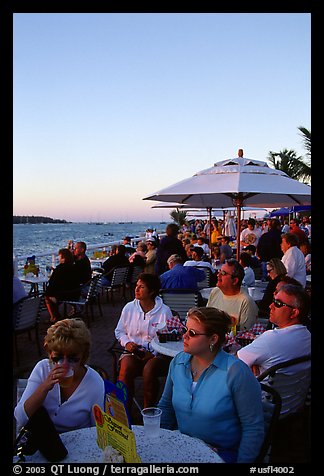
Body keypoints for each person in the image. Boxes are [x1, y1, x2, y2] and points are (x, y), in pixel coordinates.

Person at [158, 307, 264, 463]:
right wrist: (159, 442)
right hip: (182, 446)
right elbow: (166, 406)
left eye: (192, 333)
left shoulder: (236, 372)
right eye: (186, 329)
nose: (184, 336)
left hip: (222, 452)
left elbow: (253, 427)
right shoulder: (178, 362)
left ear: (213, 339)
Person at [14, 318, 105, 433]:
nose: (65, 365)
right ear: (50, 354)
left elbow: (97, 430)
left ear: (83, 356)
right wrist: (44, 387)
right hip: (40, 443)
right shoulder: (43, 369)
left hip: (74, 444)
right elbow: (20, 418)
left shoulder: (94, 382)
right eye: (58, 358)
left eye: (73, 359)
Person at [114, 273, 173, 412]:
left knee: (149, 369)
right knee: (125, 368)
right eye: (137, 286)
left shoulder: (164, 311)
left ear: (151, 291)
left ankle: (149, 410)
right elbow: (119, 331)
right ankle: (123, 410)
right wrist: (127, 343)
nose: (137, 289)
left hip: (157, 355)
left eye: (142, 287)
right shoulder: (129, 308)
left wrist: (153, 353)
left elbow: (170, 338)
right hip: (133, 352)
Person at [237, 283, 311, 380]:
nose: (270, 306)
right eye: (273, 300)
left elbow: (233, 364)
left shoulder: (271, 338)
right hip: (295, 394)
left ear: (294, 313)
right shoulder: (307, 336)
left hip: (260, 393)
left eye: (278, 303)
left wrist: (249, 363)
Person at [206, 259, 258, 331]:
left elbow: (245, 334)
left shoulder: (246, 302)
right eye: (219, 271)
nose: (218, 275)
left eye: (223, 273)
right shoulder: (215, 291)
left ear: (235, 281)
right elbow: (206, 319)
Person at [45, 248, 80, 323]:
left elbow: (52, 284)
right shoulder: (75, 267)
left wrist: (47, 292)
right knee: (52, 294)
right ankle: (57, 315)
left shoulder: (60, 269)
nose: (58, 258)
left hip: (65, 294)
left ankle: (54, 317)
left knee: (47, 296)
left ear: (63, 258)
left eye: (59, 256)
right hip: (75, 293)